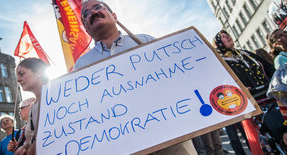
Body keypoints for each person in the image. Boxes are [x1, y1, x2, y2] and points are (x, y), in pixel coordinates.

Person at [75, 1, 197, 154]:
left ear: (114, 16)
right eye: (86, 14)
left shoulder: (145, 41)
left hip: (170, 136)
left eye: (98, 7)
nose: (92, 13)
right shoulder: (81, 66)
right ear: (86, 29)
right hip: (121, 145)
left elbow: (178, 76)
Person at [213, 30, 275, 155]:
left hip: (269, 94)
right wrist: (237, 90)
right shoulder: (220, 63)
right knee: (260, 137)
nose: (228, 37)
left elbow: (268, 67)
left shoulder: (245, 54)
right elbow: (223, 84)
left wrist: (277, 79)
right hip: (249, 103)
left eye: (227, 34)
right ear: (219, 43)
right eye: (224, 37)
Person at [15, 58, 49, 155]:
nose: (18, 79)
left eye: (21, 74)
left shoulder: (54, 100)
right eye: (17, 76)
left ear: (39, 72)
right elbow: (32, 137)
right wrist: (24, 147)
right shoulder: (33, 107)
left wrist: (32, 149)